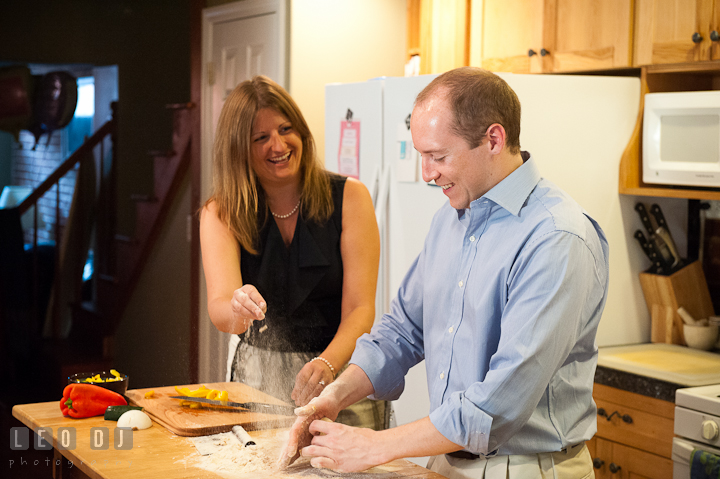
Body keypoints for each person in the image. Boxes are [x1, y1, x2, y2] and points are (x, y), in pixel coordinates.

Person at [279, 67, 609, 479]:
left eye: (438, 156)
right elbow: (401, 332)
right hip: (447, 460)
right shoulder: (451, 220)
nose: (427, 174)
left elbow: (498, 406)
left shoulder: (556, 238)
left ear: (493, 139)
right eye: (421, 155)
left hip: (528, 469)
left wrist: (373, 446)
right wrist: (334, 395)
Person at [199, 75, 387, 430]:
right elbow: (221, 308)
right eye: (261, 138)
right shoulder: (221, 212)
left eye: (286, 129)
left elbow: (361, 309)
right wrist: (238, 307)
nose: (278, 144)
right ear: (239, 148)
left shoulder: (350, 197)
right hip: (256, 382)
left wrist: (327, 365)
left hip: (341, 375)